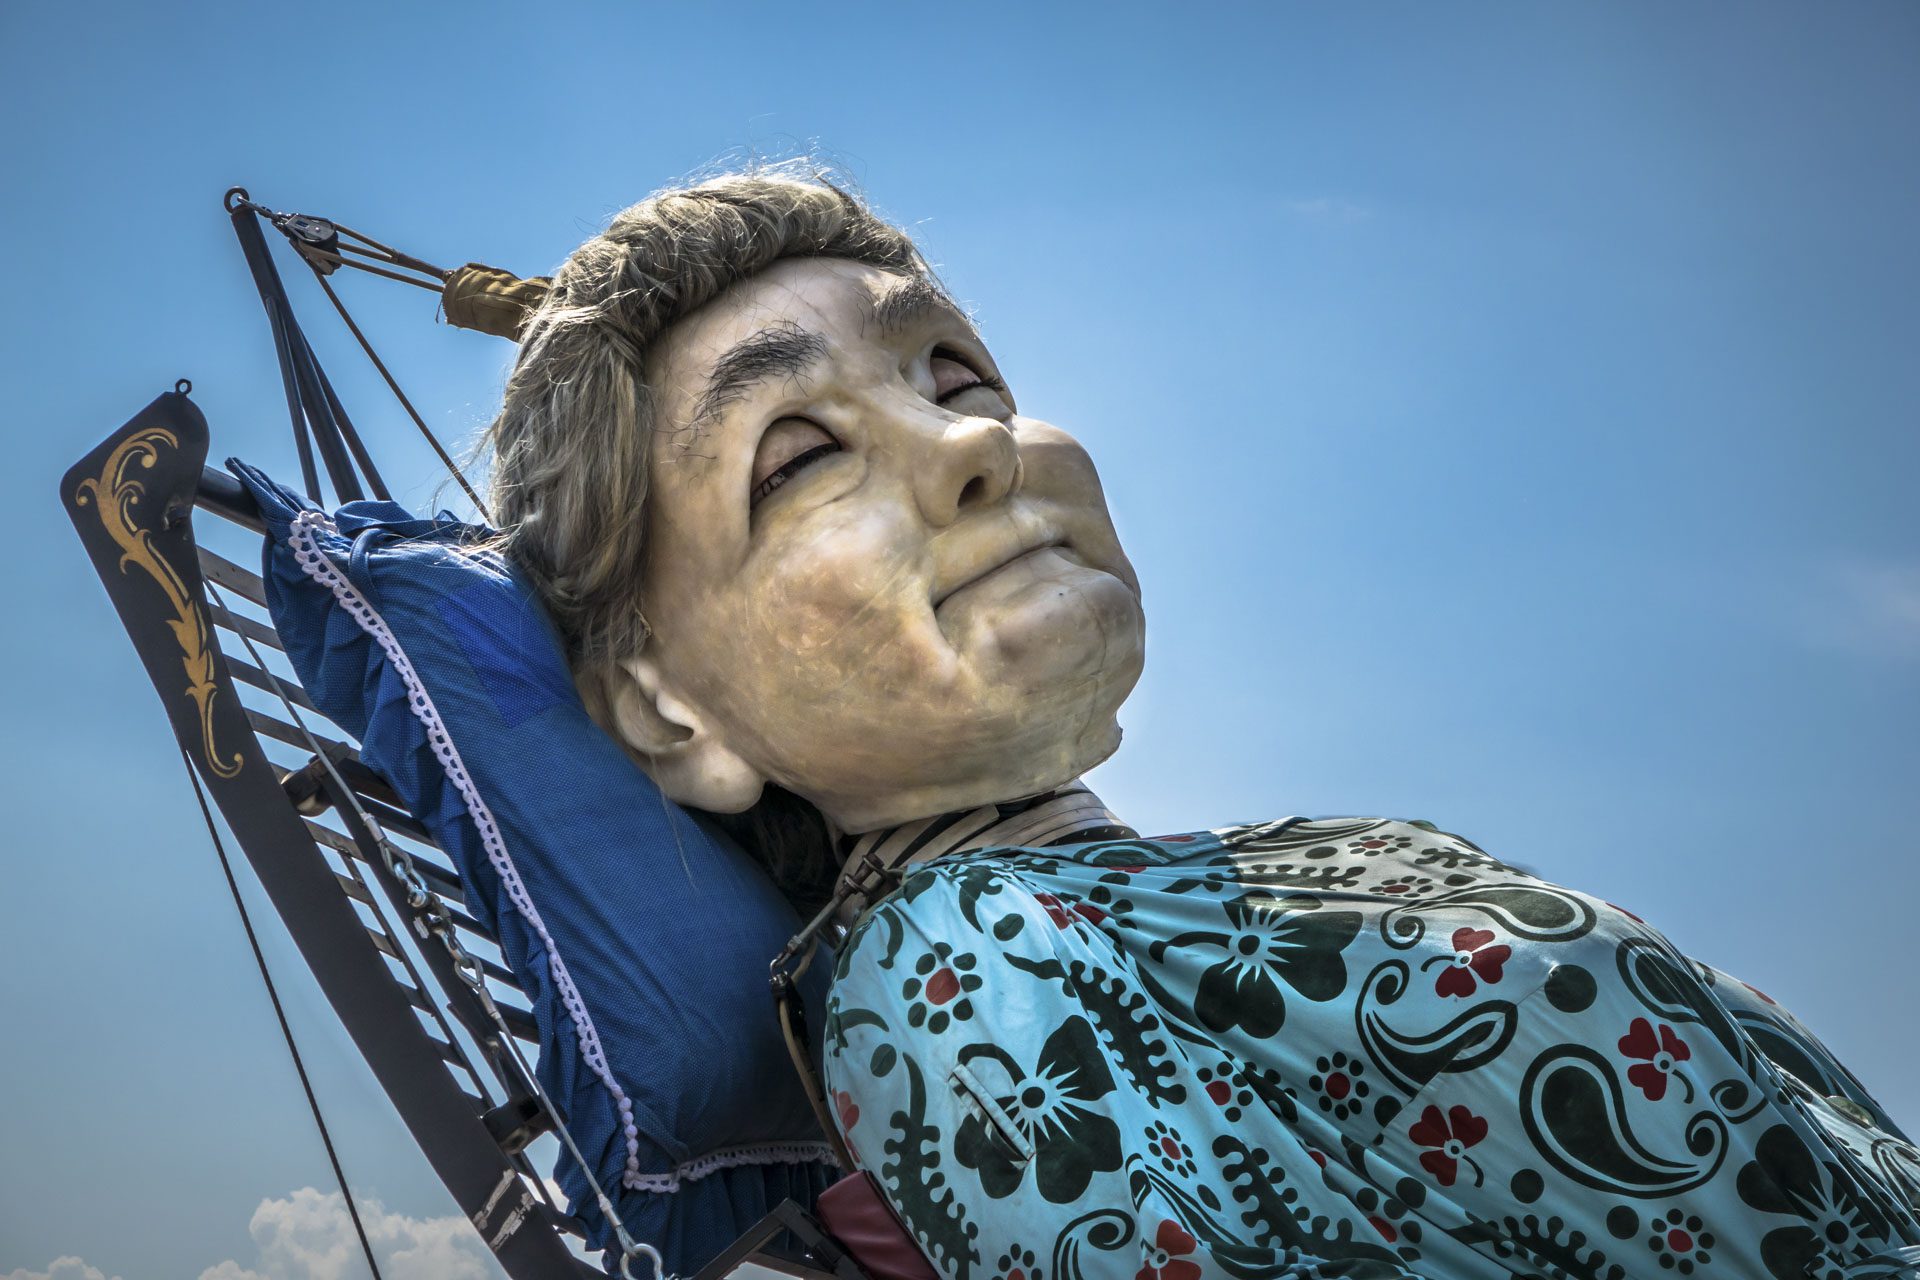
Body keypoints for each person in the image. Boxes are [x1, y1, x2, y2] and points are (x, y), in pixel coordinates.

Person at [484, 165, 1920, 1280]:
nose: (974, 442)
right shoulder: (966, 973)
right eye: (798, 457)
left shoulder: (1186, 882)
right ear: (672, 717)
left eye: (958, 375)